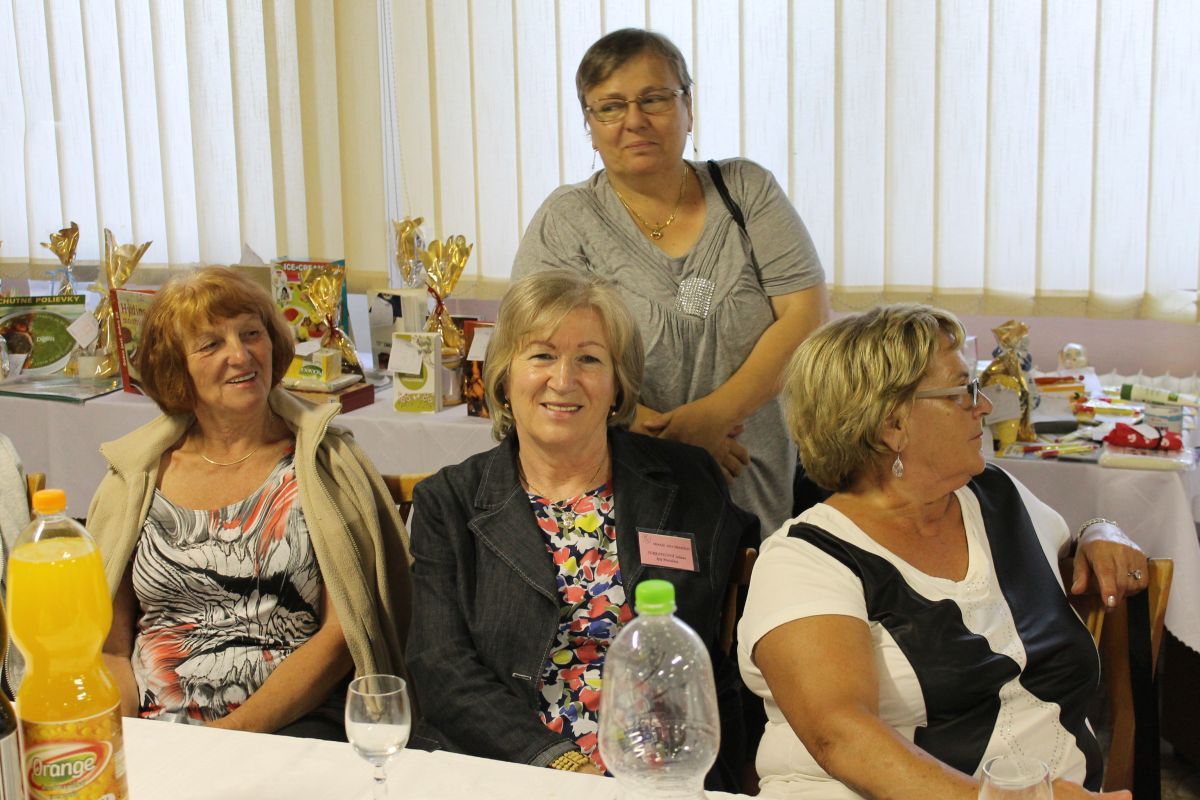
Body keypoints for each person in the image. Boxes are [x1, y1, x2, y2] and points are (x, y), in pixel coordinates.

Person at [738, 303, 1145, 799]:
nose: (985, 406)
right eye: (962, 391)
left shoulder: (996, 496)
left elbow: (1066, 553)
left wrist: (1100, 530)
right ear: (892, 426)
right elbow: (840, 735)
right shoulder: (805, 560)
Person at [407, 270, 756, 787]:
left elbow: (733, 631)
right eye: (542, 355)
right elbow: (441, 668)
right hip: (503, 767)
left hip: (664, 772)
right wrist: (564, 765)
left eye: (589, 359)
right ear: (504, 379)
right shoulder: (449, 502)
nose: (563, 379)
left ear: (618, 385)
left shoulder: (688, 481)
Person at [512, 28, 828, 535]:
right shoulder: (566, 220)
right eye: (610, 107)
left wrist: (712, 418)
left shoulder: (748, 191)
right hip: (616, 482)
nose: (634, 120)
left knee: (750, 581)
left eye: (654, 99)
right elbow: (535, 351)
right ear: (590, 125)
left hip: (750, 477)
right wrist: (659, 435)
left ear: (688, 106)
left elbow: (805, 316)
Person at [89, 266, 410, 738]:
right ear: (175, 367)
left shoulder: (322, 466)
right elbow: (110, 649)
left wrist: (231, 734)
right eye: (211, 344)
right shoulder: (133, 479)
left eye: (251, 334)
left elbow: (343, 633)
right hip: (161, 730)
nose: (240, 355)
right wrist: (126, 740)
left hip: (294, 726)